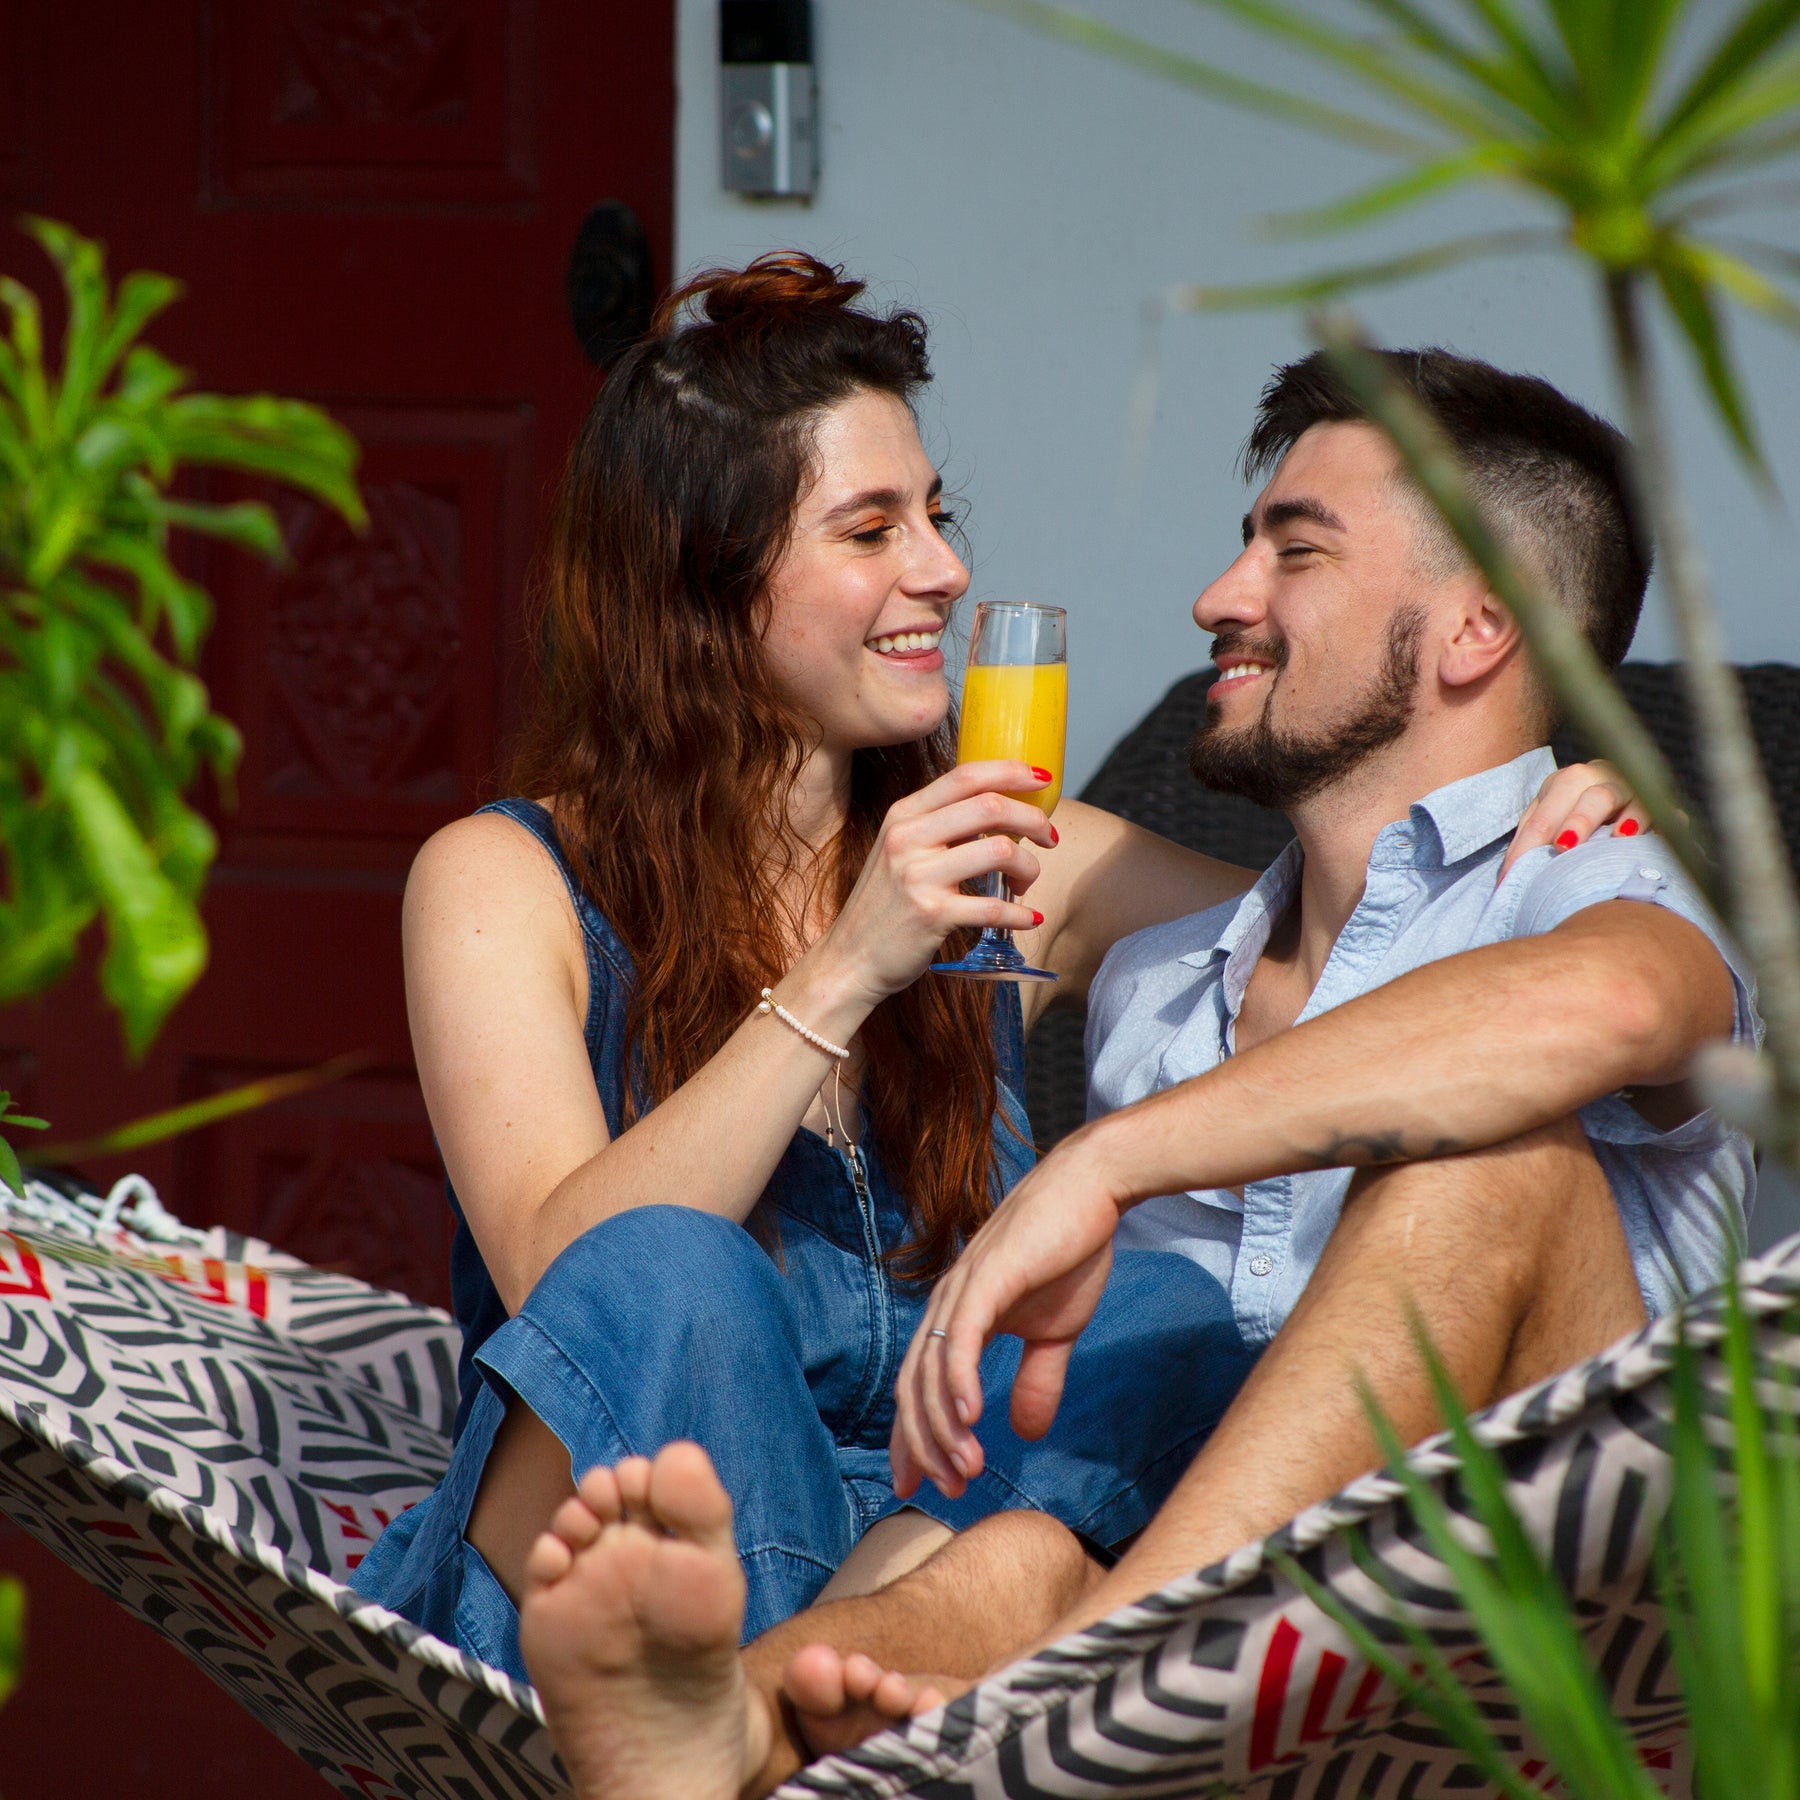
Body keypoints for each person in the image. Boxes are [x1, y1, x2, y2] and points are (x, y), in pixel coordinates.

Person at [349, 255, 1630, 1685]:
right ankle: (762, 1717)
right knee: (674, 1270)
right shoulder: (504, 880)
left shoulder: (1016, 850)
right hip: (612, 1569)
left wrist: (1565, 802)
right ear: (702, 580)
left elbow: (1356, 951)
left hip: (912, 1563)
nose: (944, 571)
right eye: (870, 529)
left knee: (1164, 1308)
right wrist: (848, 969)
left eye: (938, 517)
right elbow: (570, 1283)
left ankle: (809, 1713)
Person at [510, 346, 1757, 1800]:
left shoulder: (1589, 874)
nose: (1217, 599)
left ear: (1479, 626)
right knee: (1059, 1480)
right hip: (1259, 1650)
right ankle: (748, 1725)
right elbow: (1086, 1451)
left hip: (1576, 1640)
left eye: (1294, 551)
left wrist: (1110, 1161)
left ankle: (1080, 1712)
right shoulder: (1169, 978)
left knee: (1493, 1163)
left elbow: (1613, 1001)